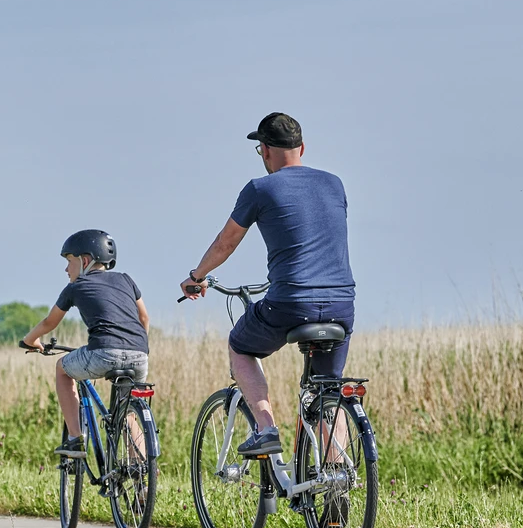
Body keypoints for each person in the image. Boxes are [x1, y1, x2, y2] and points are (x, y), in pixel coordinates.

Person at [179, 112, 356, 457]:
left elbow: (225, 244)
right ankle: (336, 488)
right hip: (341, 304)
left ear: (265, 151)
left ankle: (265, 428)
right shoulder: (335, 183)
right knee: (327, 395)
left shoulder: (260, 188)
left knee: (240, 346)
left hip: (291, 302)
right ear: (302, 147)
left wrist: (196, 277)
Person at [21, 230, 150, 458]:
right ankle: (141, 472)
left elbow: (50, 322)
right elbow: (144, 319)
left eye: (69, 261)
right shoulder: (126, 280)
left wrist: (30, 340)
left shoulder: (76, 286)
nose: (66, 269)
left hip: (103, 353)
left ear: (85, 260)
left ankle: (75, 439)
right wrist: (137, 347)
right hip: (139, 355)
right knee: (128, 413)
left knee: (62, 369)